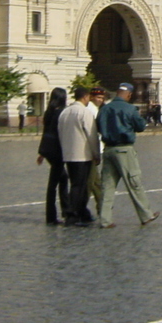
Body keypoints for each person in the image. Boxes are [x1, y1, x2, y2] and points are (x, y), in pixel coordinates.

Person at [97, 83, 159, 228]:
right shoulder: (130, 108)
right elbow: (140, 126)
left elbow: (98, 126)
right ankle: (146, 214)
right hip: (124, 149)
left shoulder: (105, 108)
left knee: (107, 186)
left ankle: (105, 219)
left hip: (108, 149)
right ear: (129, 95)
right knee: (134, 182)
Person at [58, 86, 100, 226]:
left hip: (68, 154)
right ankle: (72, 214)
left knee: (76, 184)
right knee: (79, 186)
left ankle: (82, 212)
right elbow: (92, 135)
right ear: (86, 97)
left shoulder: (65, 112)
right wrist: (96, 153)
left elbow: (60, 132)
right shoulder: (84, 112)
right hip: (82, 155)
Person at [35, 87, 69, 225]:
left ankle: (64, 211)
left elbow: (46, 133)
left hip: (48, 150)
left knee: (62, 178)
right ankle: (54, 216)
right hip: (57, 151)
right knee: (55, 183)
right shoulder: (61, 113)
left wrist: (42, 153)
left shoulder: (48, 112)